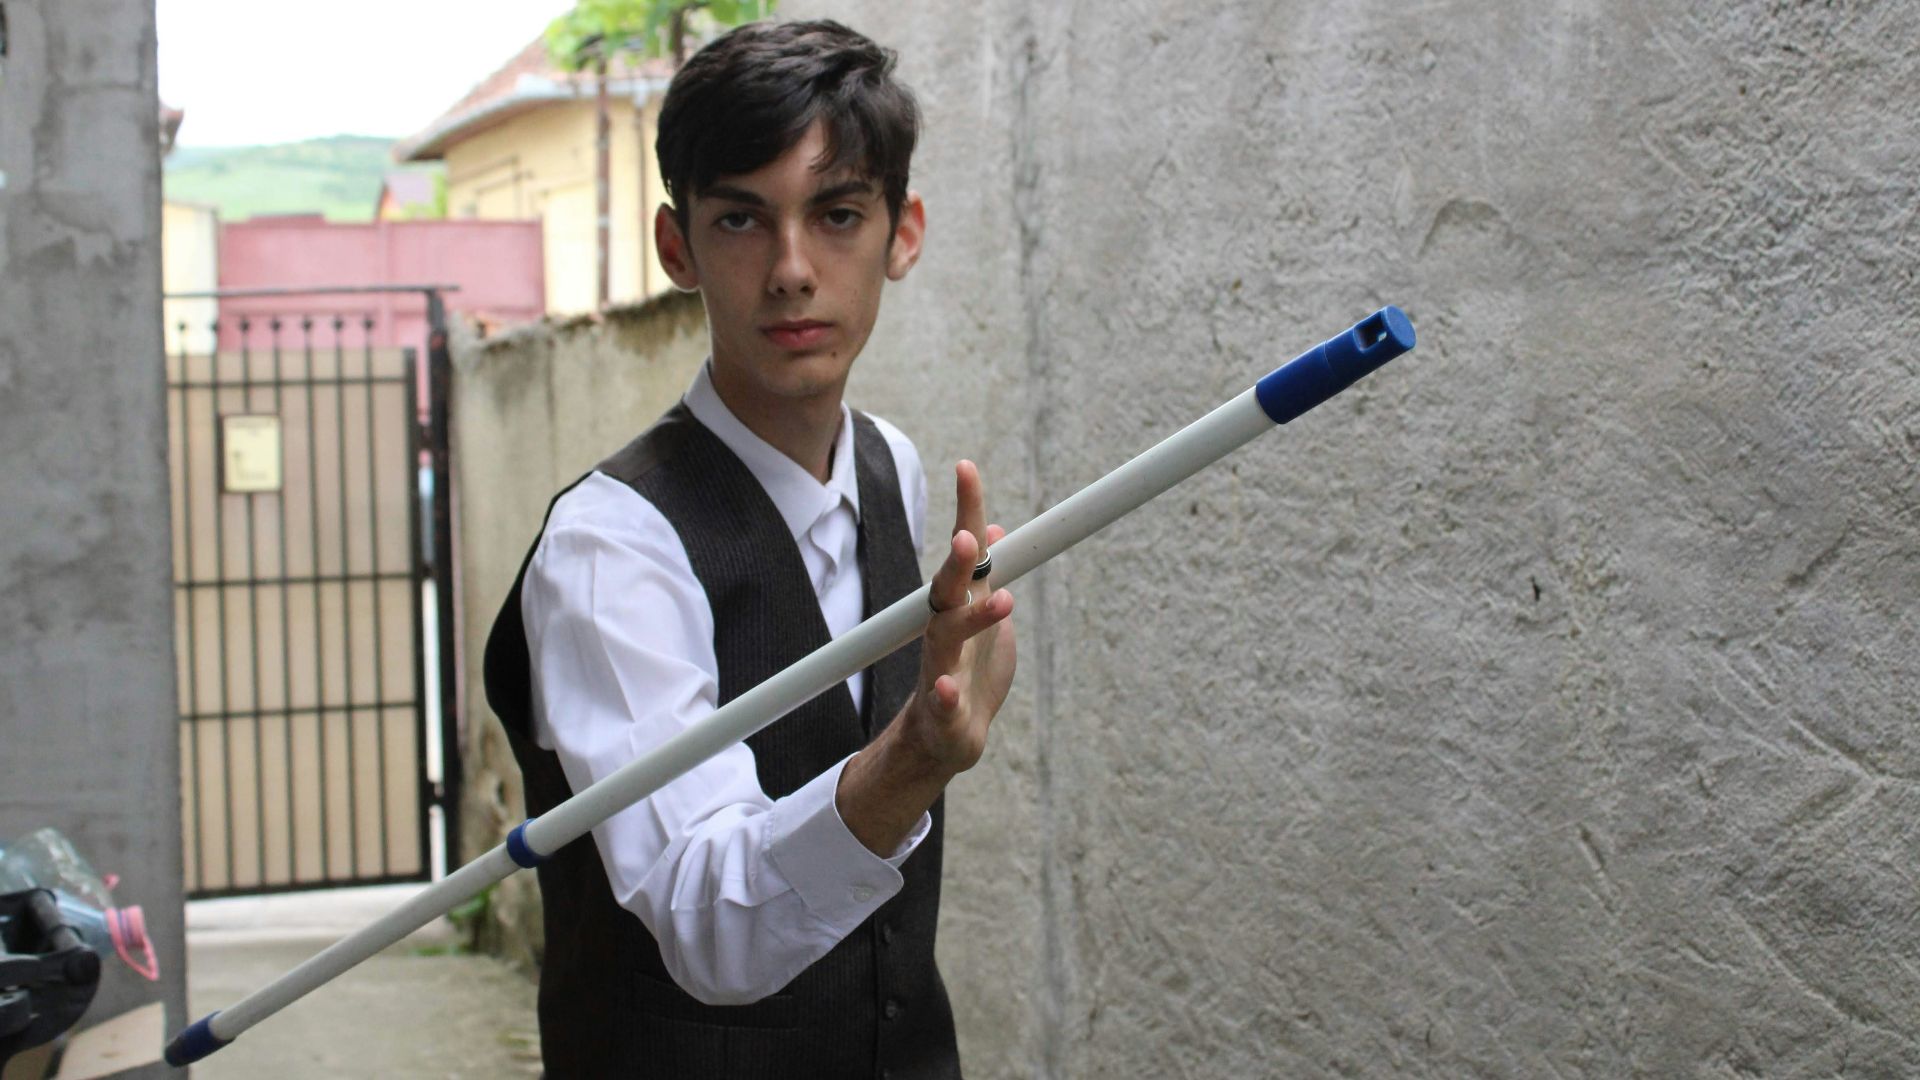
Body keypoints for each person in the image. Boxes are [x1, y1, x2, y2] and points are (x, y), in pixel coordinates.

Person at [482, 19, 1016, 1079]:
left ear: (901, 233)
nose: (791, 270)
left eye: (837, 214)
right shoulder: (610, 550)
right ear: (676, 247)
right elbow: (707, 923)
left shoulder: (888, 469)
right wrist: (909, 762)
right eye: (741, 219)